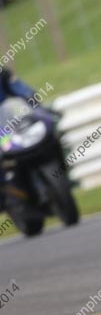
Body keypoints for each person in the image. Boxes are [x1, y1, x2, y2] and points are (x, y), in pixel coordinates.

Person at [0, 69, 39, 212]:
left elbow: (22, 90)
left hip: (12, 125)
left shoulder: (3, 74)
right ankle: (6, 197)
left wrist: (33, 101)